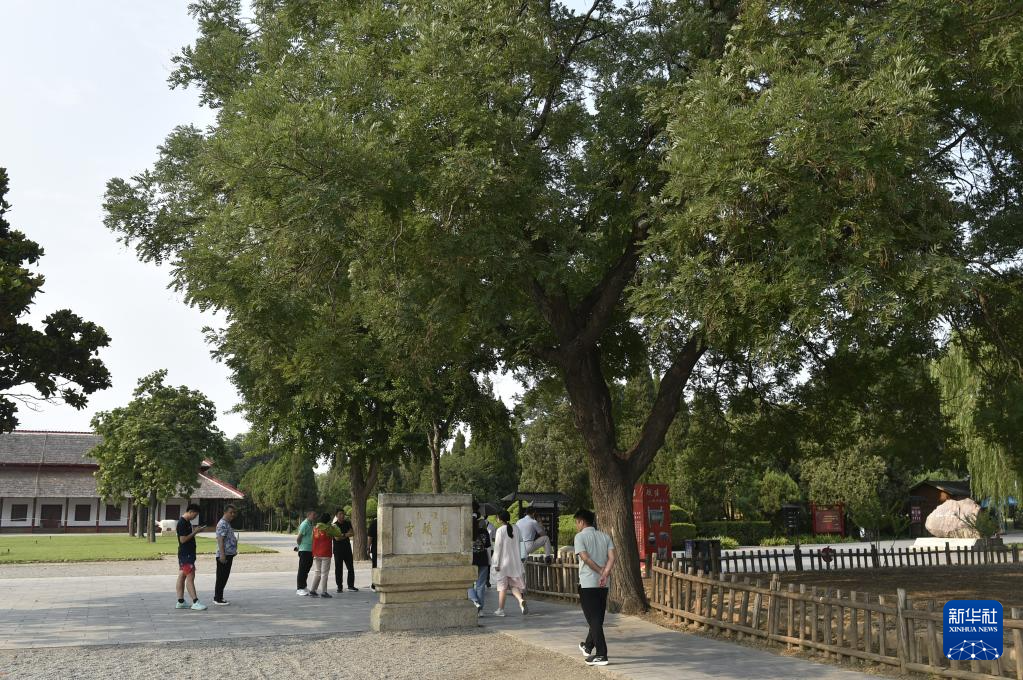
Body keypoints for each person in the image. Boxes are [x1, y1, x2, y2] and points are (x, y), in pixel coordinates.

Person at [573, 508, 615, 667]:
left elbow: (585, 558)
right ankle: (588, 645)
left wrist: (599, 571)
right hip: (603, 584)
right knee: (598, 618)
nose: (576, 526)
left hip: (588, 583)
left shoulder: (579, 537)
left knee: (594, 620)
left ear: (581, 522)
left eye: (577, 522)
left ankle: (602, 654)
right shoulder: (605, 536)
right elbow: (612, 557)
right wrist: (605, 573)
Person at [491, 510, 527, 617]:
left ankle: (501, 610)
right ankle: (520, 600)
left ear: (500, 519)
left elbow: (497, 548)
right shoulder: (516, 528)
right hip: (515, 563)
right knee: (514, 586)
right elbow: (521, 543)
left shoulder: (500, 530)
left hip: (503, 564)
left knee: (502, 587)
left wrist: (496, 564)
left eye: (497, 517)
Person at [175, 503, 208, 611]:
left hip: (186, 554)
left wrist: (196, 531)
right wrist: (195, 532)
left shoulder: (187, 522)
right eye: (195, 515)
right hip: (186, 555)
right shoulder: (182, 523)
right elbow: (183, 540)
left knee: (182, 576)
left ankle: (180, 601)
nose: (195, 517)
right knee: (190, 577)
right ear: (191, 511)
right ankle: (195, 601)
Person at [309, 513, 341, 598]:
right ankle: (324, 592)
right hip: (325, 553)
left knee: (317, 572)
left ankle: (313, 590)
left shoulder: (315, 528)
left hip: (316, 552)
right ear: (328, 520)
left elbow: (312, 539)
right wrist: (335, 526)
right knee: (324, 573)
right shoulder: (328, 528)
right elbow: (338, 533)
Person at [467, 501, 491, 614]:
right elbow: (488, 547)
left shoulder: (467, 529)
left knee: (468, 583)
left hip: (470, 559)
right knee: (481, 585)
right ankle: (480, 610)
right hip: (483, 559)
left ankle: (475, 601)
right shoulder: (484, 531)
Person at [213, 504, 239, 605]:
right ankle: (217, 598)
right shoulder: (222, 524)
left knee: (224, 576)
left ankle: (220, 596)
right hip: (224, 555)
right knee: (221, 577)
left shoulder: (227, 523)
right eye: (230, 512)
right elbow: (220, 540)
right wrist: (222, 555)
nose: (233, 515)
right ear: (225, 512)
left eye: (234, 513)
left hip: (228, 554)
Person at [332, 509, 358, 592]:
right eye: (340, 514)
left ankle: (351, 586)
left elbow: (352, 533)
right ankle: (339, 586)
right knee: (338, 568)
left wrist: (342, 535)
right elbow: (337, 538)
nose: (342, 515)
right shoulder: (334, 525)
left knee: (350, 567)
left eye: (343, 514)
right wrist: (346, 534)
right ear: (336, 516)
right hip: (338, 550)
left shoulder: (348, 523)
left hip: (347, 548)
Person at [295, 509, 317, 596]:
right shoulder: (304, 524)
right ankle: (299, 588)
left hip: (310, 550)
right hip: (304, 550)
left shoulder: (310, 524)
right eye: (313, 515)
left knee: (306, 569)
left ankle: (303, 586)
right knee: (302, 570)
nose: (315, 516)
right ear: (308, 515)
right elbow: (298, 538)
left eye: (315, 515)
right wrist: (300, 547)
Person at [367, 515, 378, 591]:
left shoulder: (374, 523)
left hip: (376, 549)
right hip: (380, 549)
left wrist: (368, 548)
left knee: (375, 566)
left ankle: (374, 584)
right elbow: (370, 537)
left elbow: (370, 537)